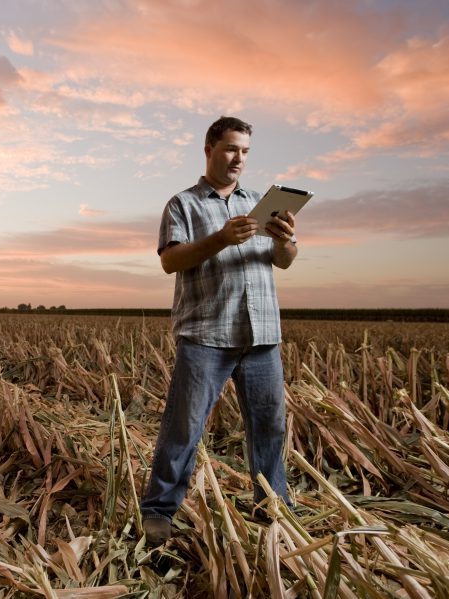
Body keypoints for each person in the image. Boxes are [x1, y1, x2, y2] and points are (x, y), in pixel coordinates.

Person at [140, 116, 298, 547]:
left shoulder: (260, 204)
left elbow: (282, 260)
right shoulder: (183, 204)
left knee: (269, 427)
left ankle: (271, 507)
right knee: (183, 427)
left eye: (245, 151)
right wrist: (222, 238)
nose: (238, 159)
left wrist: (285, 240)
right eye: (231, 149)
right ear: (209, 149)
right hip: (207, 334)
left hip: (262, 334)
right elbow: (171, 261)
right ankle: (158, 510)